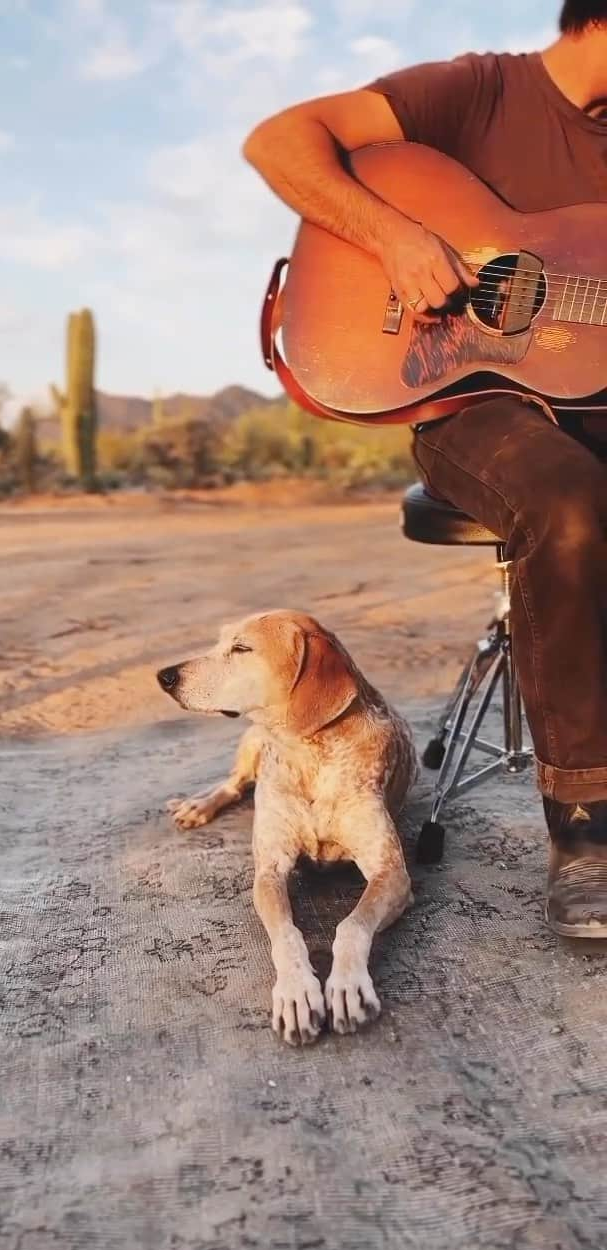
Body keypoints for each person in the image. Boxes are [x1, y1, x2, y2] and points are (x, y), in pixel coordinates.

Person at [242, 2, 607, 938]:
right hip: (470, 408)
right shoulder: (481, 90)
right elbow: (280, 142)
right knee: (568, 504)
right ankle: (587, 836)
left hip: (593, 407)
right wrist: (394, 237)